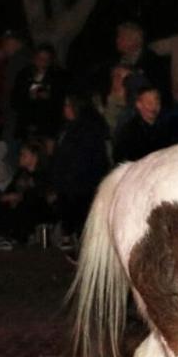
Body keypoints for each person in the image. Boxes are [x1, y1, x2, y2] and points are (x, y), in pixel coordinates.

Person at [50, 94, 110, 251]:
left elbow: (87, 160)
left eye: (68, 106)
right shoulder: (68, 128)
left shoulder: (87, 130)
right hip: (69, 184)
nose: (65, 110)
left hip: (81, 185)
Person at [0, 138, 54, 251]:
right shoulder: (21, 173)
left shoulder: (42, 174)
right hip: (19, 204)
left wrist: (17, 196)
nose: (20, 157)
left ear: (34, 157)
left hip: (37, 208)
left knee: (27, 201)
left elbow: (41, 193)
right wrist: (6, 197)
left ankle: (15, 236)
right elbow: (9, 189)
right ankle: (0, 236)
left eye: (24, 155)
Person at [10, 43, 67, 141]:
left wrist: (49, 97)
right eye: (39, 58)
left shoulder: (58, 76)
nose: (42, 62)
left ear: (51, 61)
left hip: (48, 128)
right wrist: (29, 96)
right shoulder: (24, 75)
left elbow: (62, 101)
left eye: (46, 59)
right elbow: (14, 101)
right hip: (27, 127)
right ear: (34, 58)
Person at [111, 86, 173, 163]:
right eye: (149, 103)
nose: (154, 107)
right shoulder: (130, 131)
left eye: (157, 102)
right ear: (139, 105)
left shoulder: (168, 125)